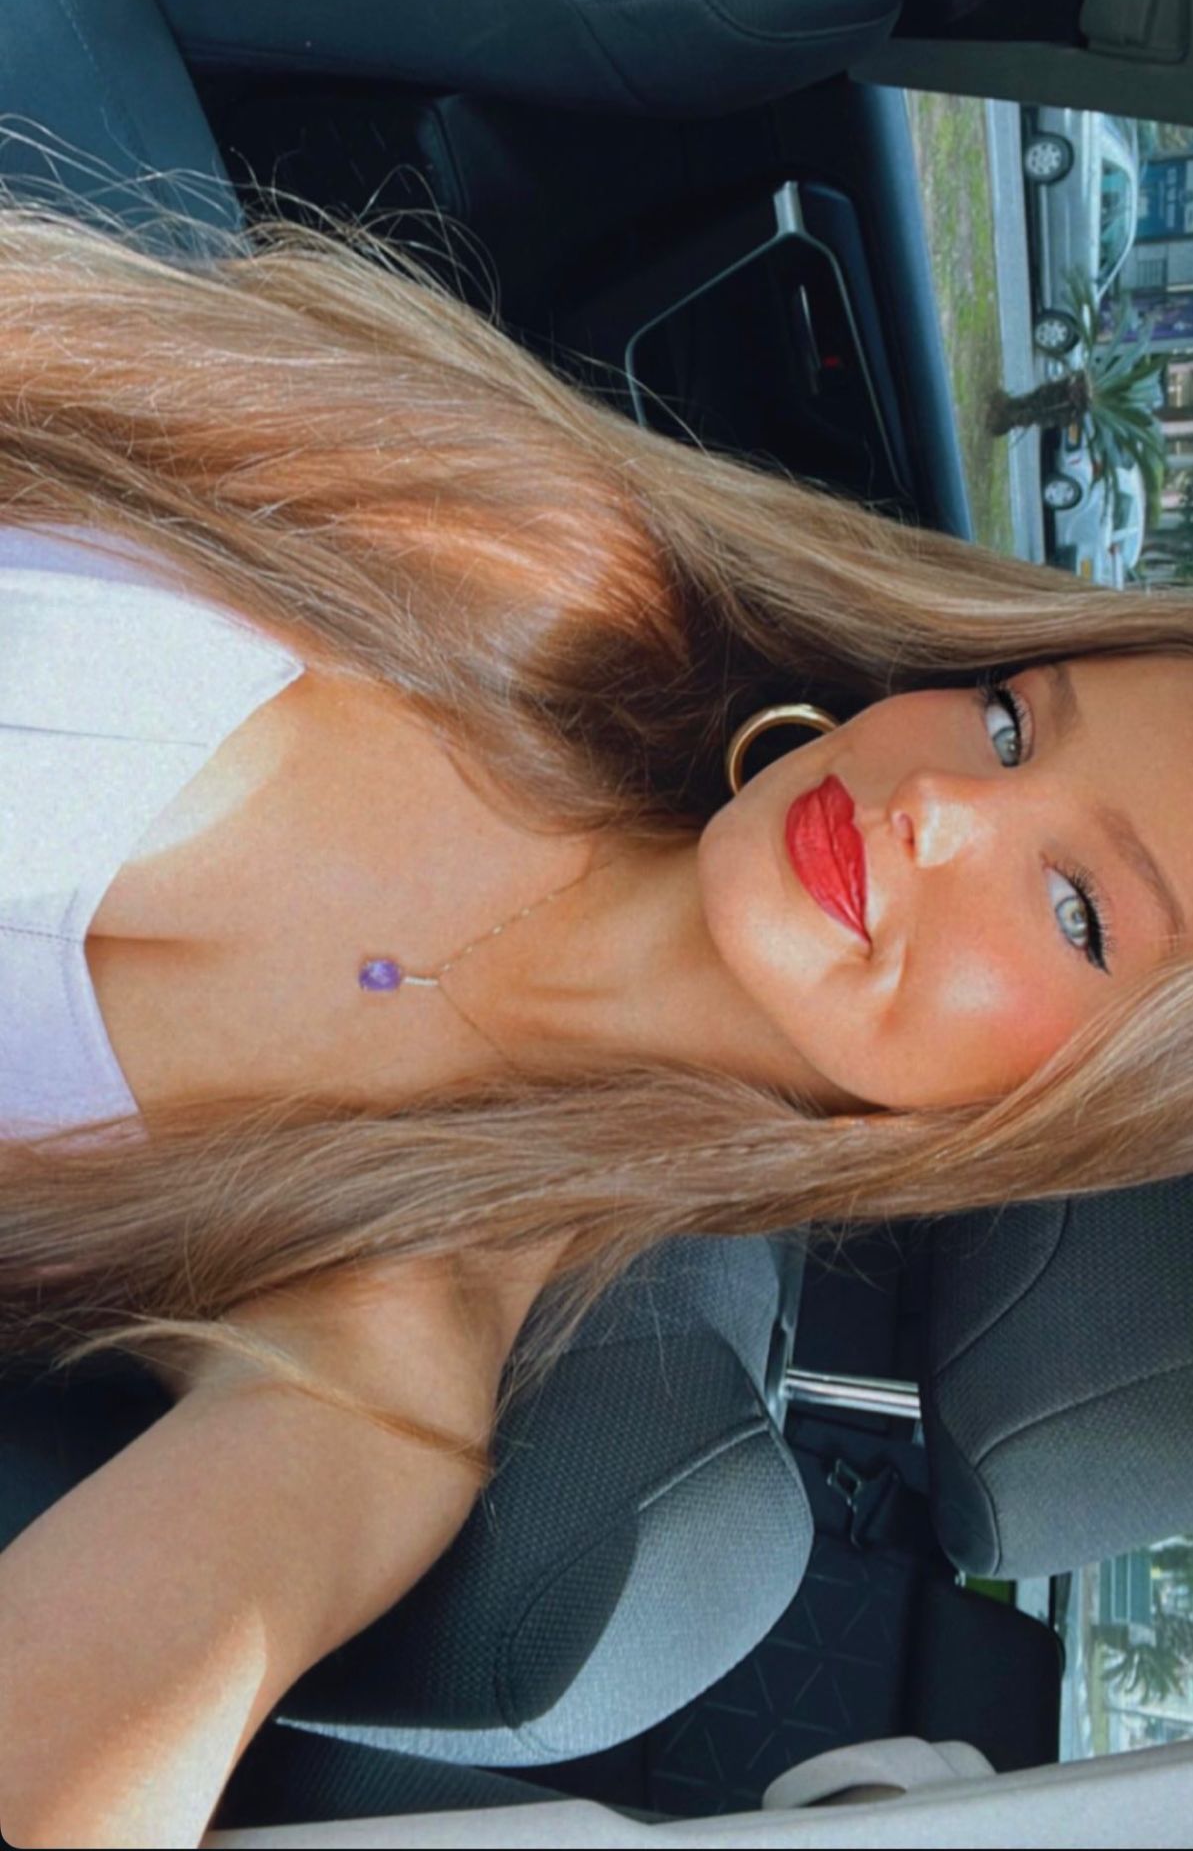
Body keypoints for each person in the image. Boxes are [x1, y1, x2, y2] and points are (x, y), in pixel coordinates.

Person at [0, 186, 1191, 1847]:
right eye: (1007, 726)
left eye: (1074, 910)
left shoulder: (391, 1339)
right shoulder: (527, 557)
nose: (940, 811)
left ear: (1042, 1121)